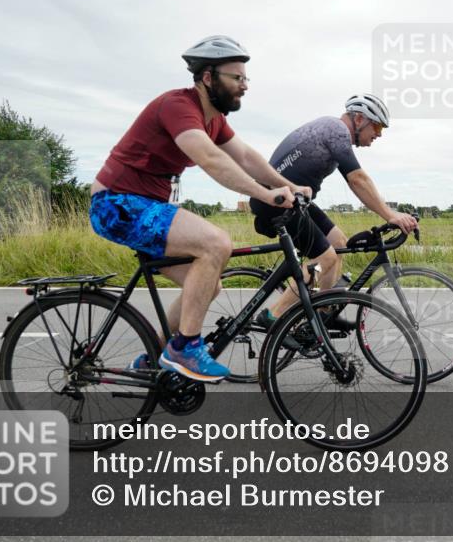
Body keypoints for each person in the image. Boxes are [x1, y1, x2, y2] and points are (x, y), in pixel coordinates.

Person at [88, 35, 310, 382]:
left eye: (246, 78)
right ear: (208, 77)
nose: (245, 85)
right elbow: (210, 159)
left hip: (144, 204)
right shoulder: (178, 106)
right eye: (237, 78)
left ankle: (153, 358)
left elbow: (246, 157)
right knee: (216, 243)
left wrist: (287, 185)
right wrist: (264, 195)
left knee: (207, 284)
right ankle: (185, 348)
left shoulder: (214, 119)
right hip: (117, 202)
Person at [249, 93, 418, 329]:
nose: (378, 134)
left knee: (338, 242)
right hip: (275, 202)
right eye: (377, 126)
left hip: (293, 201)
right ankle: (273, 316)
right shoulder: (336, 130)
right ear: (359, 119)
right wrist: (391, 215)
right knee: (324, 258)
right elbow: (358, 179)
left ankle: (323, 313)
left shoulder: (331, 130)